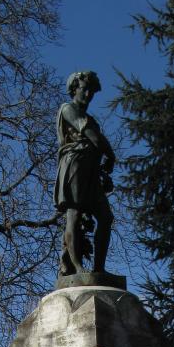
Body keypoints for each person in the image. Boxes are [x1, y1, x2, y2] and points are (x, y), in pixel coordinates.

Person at [54, 70, 115, 274]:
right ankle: (77, 268)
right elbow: (94, 137)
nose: (88, 94)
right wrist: (111, 156)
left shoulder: (90, 118)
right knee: (75, 213)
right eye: (84, 89)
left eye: (92, 91)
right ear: (74, 89)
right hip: (75, 165)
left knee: (105, 217)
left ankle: (99, 269)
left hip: (91, 169)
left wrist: (106, 162)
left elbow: (97, 139)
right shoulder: (68, 109)